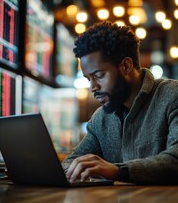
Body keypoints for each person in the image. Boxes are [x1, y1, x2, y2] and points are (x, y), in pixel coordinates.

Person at [62, 21, 178, 185]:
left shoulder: (172, 96)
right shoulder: (100, 119)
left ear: (126, 66)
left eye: (99, 75)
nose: (93, 87)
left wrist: (116, 170)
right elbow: (71, 161)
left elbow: (175, 160)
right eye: (89, 79)